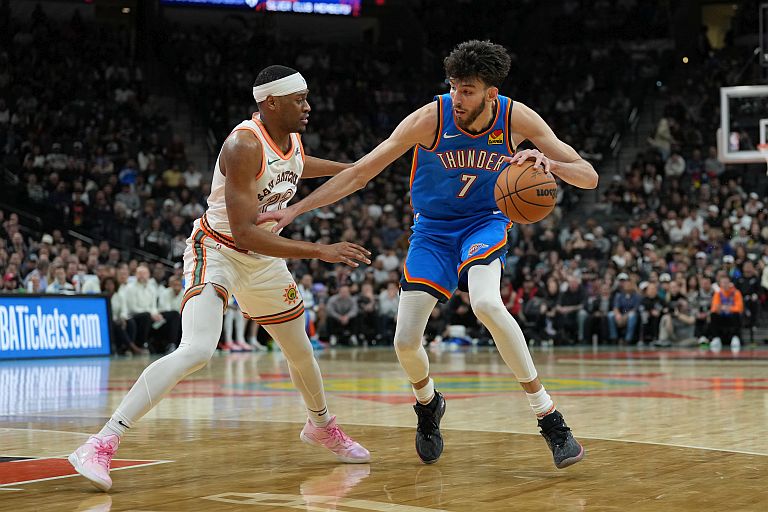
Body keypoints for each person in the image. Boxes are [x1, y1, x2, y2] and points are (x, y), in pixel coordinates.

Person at [262, 41, 597, 468]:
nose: (457, 98)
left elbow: (589, 176)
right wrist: (293, 209)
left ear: (491, 94)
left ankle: (549, 417)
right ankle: (428, 404)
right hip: (433, 232)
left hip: (484, 223)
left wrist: (550, 165)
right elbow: (361, 172)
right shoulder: (429, 118)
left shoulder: (518, 118)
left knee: (488, 303)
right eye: (454, 87)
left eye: (468, 90)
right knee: (404, 342)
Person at [68, 65, 372, 492]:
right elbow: (245, 231)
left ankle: (321, 426)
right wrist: (321, 251)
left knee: (301, 351)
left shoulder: (291, 140)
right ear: (270, 103)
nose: (308, 106)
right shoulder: (243, 144)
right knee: (197, 349)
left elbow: (300, 166)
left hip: (263, 260)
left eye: (307, 97)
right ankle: (102, 442)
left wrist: (358, 168)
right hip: (218, 250)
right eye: (299, 99)